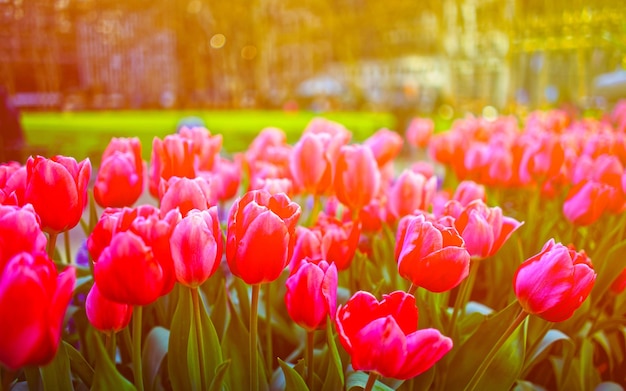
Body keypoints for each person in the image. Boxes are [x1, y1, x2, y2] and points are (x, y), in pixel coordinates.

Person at [0, 86, 25, 163]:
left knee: (11, 160)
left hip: (11, 141)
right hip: (14, 140)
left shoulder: (6, 108)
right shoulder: (9, 105)